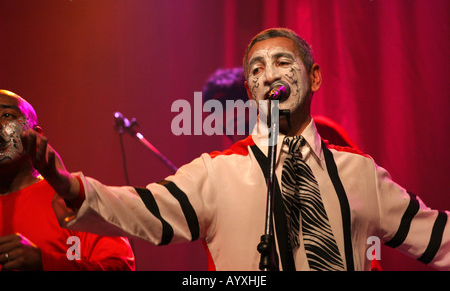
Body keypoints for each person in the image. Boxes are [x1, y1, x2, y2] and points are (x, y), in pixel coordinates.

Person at [21, 28, 449, 271]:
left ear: (314, 78)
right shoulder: (218, 173)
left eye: (283, 62)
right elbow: (144, 209)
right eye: (257, 69)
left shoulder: (359, 173)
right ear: (250, 90)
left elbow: (436, 236)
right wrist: (71, 187)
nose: (270, 75)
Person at [0, 90, 135, 271]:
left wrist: (45, 263)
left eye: (6, 115)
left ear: (35, 134)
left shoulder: (73, 198)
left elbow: (120, 266)